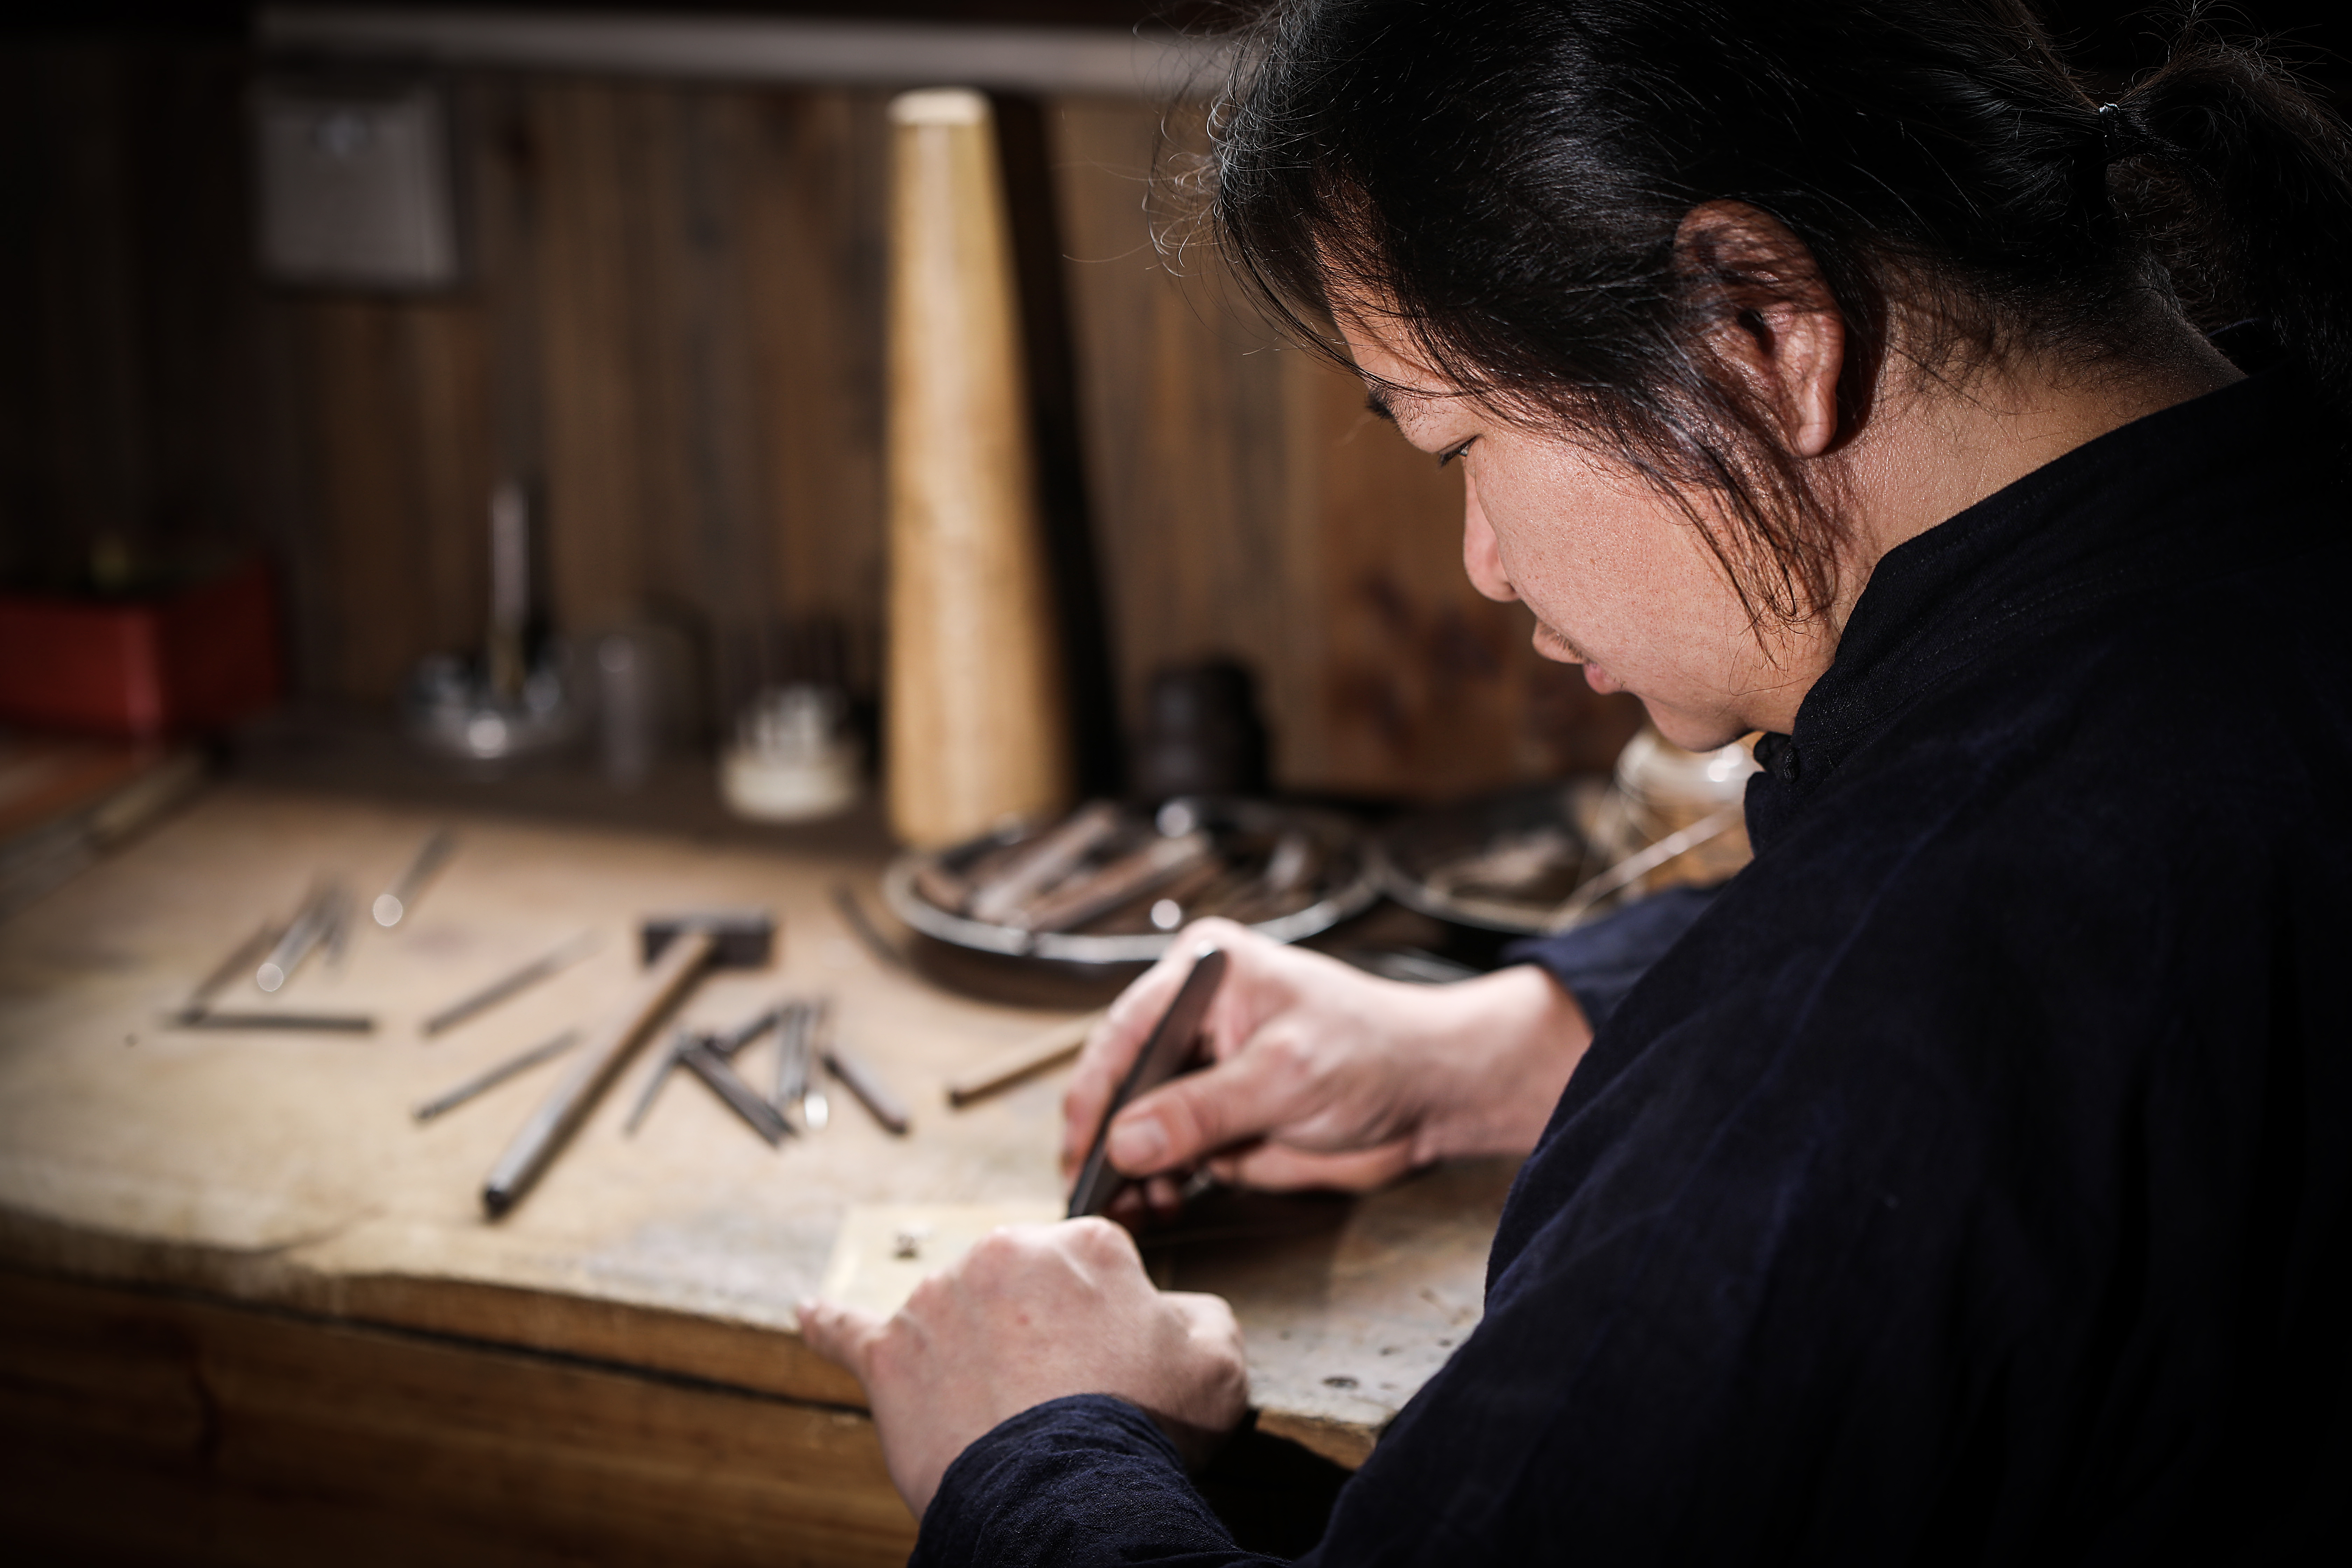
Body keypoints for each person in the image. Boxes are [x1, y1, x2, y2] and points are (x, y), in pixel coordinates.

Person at [799, 1, 2352, 1559]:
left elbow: (1910, 1011)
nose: (1479, 562)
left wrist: (1038, 1446)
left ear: (1760, 327)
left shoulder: (1847, 1049)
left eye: (1454, 435)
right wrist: (1520, 1032)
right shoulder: (2251, 570)